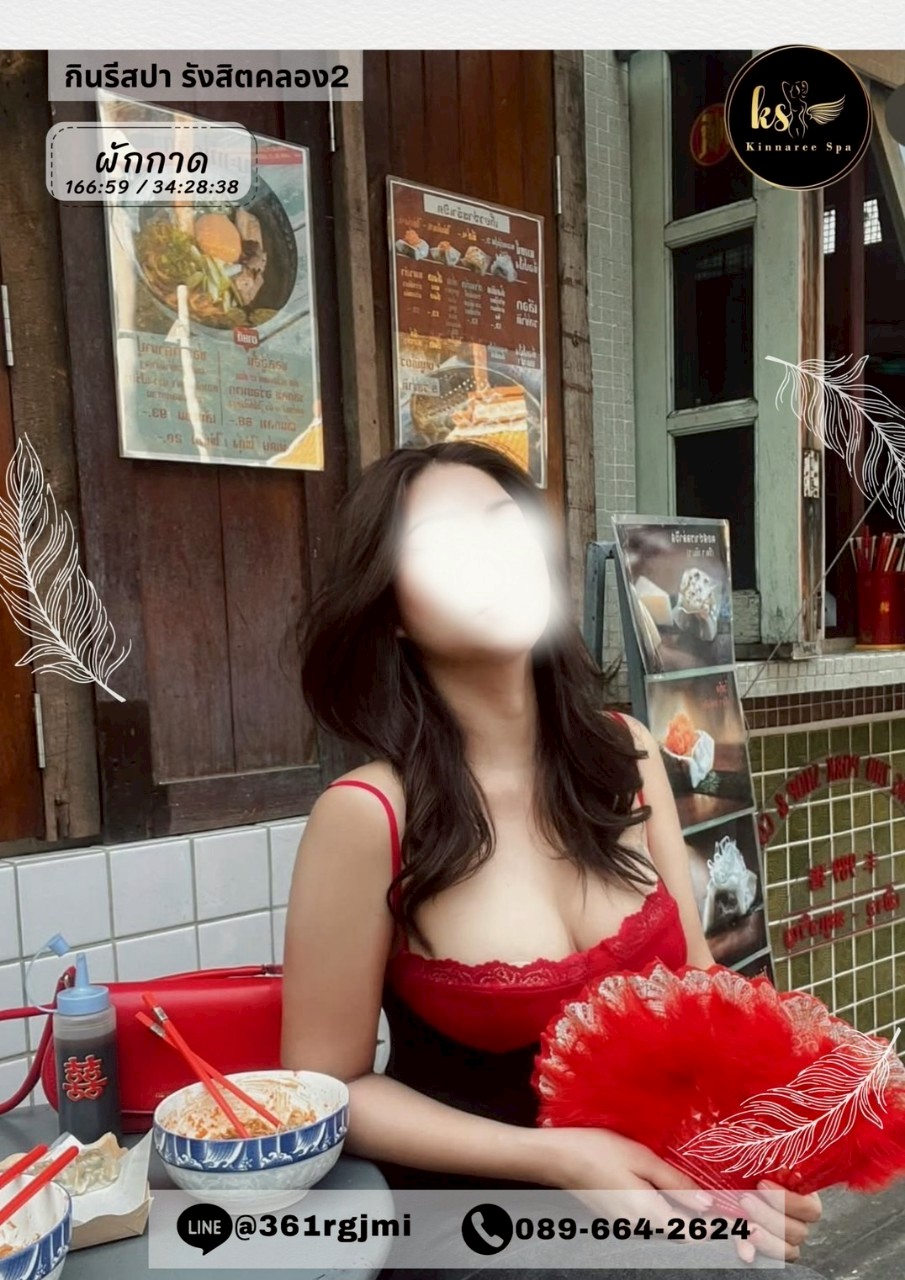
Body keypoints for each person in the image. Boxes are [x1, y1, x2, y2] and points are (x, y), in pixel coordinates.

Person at [281, 441, 828, 1279]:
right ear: (391, 611)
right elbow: (329, 1088)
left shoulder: (627, 753)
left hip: (654, 1199)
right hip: (472, 1231)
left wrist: (753, 1148)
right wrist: (562, 1158)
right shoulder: (366, 817)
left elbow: (697, 993)